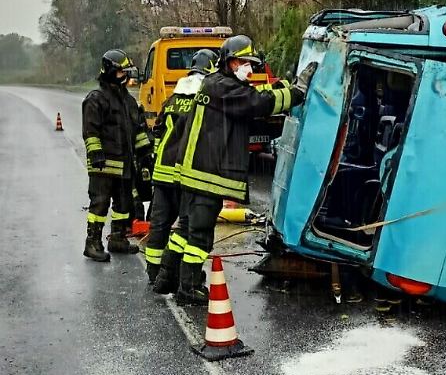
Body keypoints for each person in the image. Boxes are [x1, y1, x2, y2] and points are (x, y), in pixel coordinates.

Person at [168, 35, 317, 305]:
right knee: (199, 235)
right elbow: (259, 103)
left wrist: (282, 84)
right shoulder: (225, 88)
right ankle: (188, 288)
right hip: (206, 176)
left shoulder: (217, 84)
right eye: (245, 63)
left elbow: (257, 94)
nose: (250, 69)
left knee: (186, 229)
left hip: (195, 173)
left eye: (252, 64)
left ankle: (167, 277)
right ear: (231, 62)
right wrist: (297, 92)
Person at [145, 48, 218, 286]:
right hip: (183, 174)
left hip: (162, 172)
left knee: (159, 225)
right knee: (187, 226)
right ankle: (181, 275)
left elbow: (157, 131)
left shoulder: (173, 99)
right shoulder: (202, 100)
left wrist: (156, 160)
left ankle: (155, 274)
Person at [82, 49, 153, 261]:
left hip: (125, 165)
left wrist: (146, 155)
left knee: (124, 205)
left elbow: (139, 131)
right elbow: (90, 131)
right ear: (111, 71)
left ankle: (118, 239)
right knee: (100, 204)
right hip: (103, 165)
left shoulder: (128, 101)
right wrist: (95, 153)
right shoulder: (96, 99)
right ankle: (93, 243)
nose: (126, 76)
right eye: (123, 72)